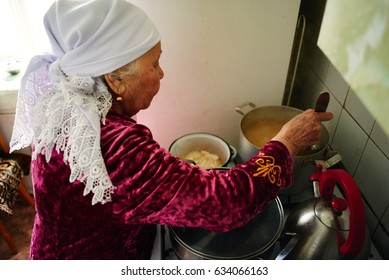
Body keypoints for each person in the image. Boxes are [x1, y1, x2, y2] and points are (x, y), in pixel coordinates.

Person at [10, 0, 333, 260]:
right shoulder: (114, 145)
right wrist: (286, 141)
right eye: (154, 64)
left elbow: (128, 187)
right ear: (114, 78)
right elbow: (227, 204)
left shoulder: (67, 99)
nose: (161, 74)